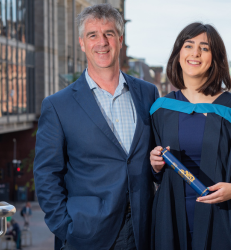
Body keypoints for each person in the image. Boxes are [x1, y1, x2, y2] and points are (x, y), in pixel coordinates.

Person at [33, 3, 159, 250]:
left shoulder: (148, 93)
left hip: (144, 230)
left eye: (109, 33)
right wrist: (67, 229)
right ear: (82, 43)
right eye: (93, 35)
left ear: (120, 39)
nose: (102, 42)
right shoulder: (58, 105)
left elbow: (154, 159)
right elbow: (46, 174)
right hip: (86, 235)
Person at [149, 22, 231, 250]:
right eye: (188, 45)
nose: (195, 53)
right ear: (178, 54)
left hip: (223, 217)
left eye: (204, 48)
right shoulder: (161, 109)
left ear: (215, 58)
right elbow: (153, 175)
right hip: (171, 218)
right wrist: (154, 165)